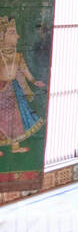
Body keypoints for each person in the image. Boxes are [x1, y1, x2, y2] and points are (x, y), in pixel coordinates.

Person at [0, 16, 45, 154]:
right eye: (12, 33)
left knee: (15, 117)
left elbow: (24, 70)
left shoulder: (18, 56)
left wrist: (33, 81)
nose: (17, 36)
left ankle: (15, 145)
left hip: (13, 90)